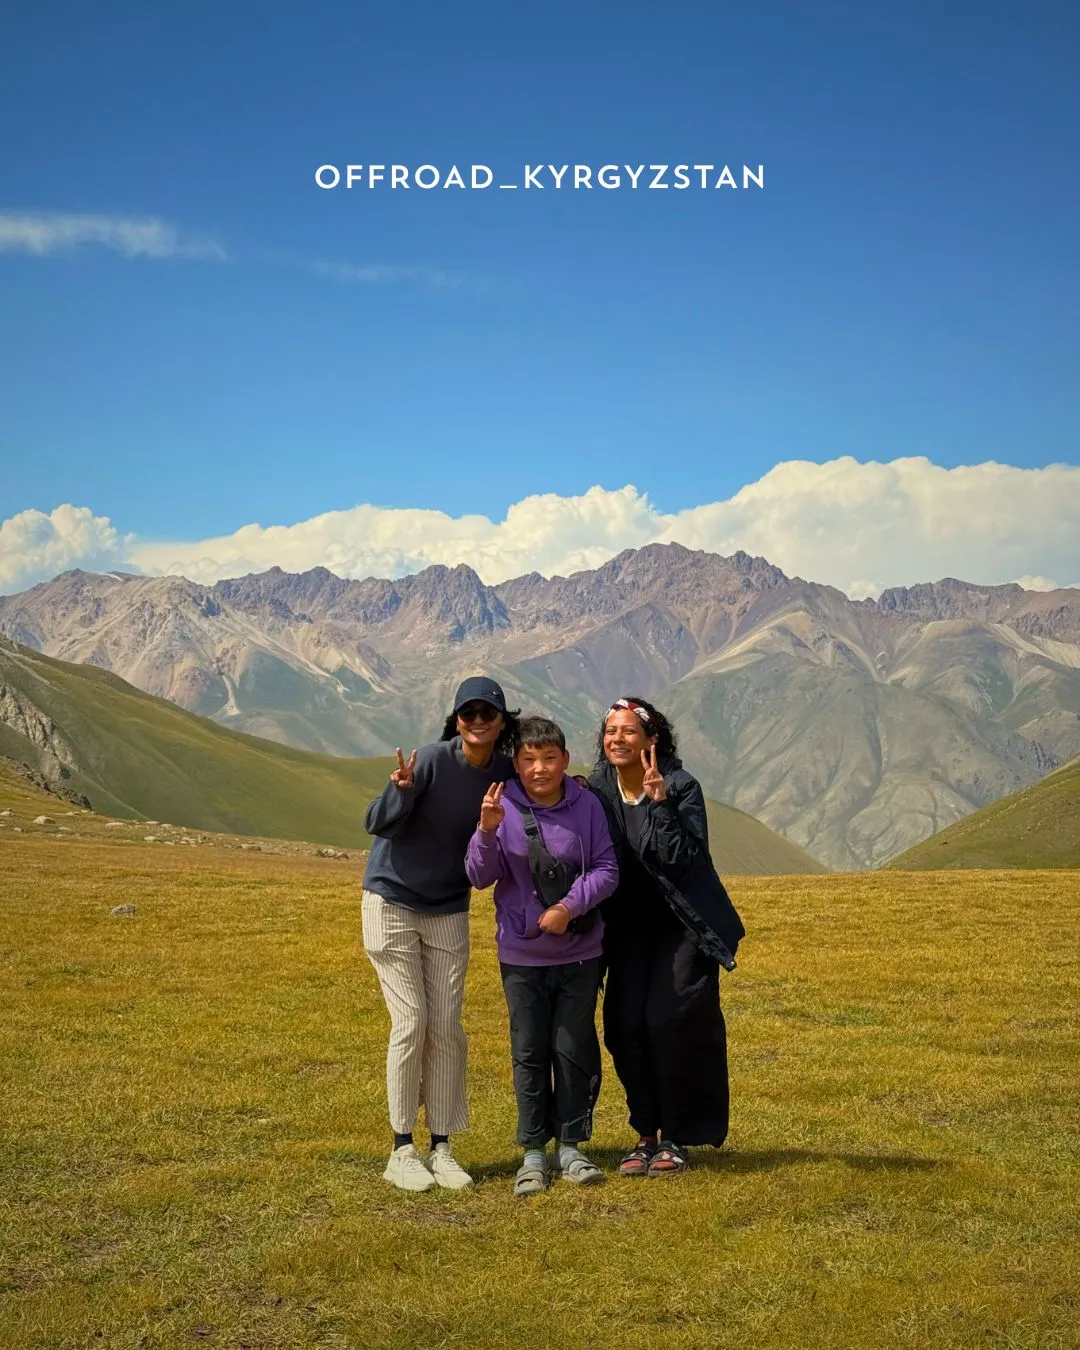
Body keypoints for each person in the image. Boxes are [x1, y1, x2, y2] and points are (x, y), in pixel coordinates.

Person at [361, 676, 518, 1192]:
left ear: (500, 721)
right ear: (456, 720)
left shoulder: (505, 770)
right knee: (412, 1022)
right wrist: (399, 790)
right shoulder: (428, 760)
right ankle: (401, 1148)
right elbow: (376, 823)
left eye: (486, 714)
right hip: (391, 899)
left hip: (448, 905)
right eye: (467, 713)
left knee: (447, 1026)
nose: (477, 721)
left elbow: (534, 798)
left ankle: (443, 1147)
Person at [588, 696, 745, 1178]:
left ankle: (676, 1135)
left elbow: (684, 861)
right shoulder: (597, 789)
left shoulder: (679, 786)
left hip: (683, 925)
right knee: (624, 1026)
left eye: (629, 731)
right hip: (628, 929)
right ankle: (646, 1134)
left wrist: (660, 804)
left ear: (651, 739)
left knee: (671, 1021)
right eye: (611, 731)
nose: (618, 739)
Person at [465, 715, 618, 1197]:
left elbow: (607, 868)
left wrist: (567, 906)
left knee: (573, 1049)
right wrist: (487, 831)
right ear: (517, 762)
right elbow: (478, 875)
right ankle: (533, 1152)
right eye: (529, 759)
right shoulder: (501, 803)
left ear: (565, 760)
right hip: (521, 955)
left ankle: (571, 1147)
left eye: (549, 758)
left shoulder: (586, 805)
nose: (539, 768)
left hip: (579, 952)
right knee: (529, 1053)